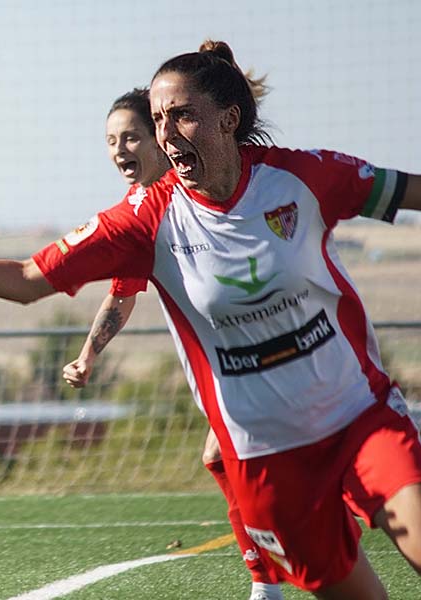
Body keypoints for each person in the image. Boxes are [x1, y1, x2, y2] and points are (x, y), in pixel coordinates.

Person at [0, 40, 421, 599]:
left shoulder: (304, 177)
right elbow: (28, 281)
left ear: (228, 118)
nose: (166, 133)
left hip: (356, 416)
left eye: (182, 116)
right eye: (158, 119)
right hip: (264, 458)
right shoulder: (145, 220)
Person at [63, 88, 282, 600]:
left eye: (131, 136)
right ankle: (270, 575)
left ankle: (272, 576)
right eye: (111, 141)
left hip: (276, 348)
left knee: (235, 456)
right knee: (221, 457)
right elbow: (122, 293)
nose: (120, 150)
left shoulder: (210, 190)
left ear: (163, 137)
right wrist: (88, 354)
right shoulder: (143, 212)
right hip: (233, 365)